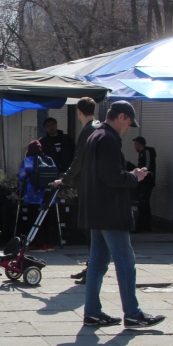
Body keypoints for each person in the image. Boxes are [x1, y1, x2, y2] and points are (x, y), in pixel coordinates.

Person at [79, 101, 165, 328]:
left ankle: (92, 312)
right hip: (110, 211)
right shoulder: (108, 139)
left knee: (97, 263)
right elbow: (111, 176)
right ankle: (133, 314)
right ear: (121, 117)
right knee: (125, 261)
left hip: (95, 209)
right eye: (129, 123)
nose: (129, 128)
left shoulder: (94, 135)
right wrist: (134, 177)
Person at [53, 97, 101, 283]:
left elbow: (79, 159)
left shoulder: (88, 130)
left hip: (88, 187)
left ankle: (93, 269)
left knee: (89, 229)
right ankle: (92, 265)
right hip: (95, 185)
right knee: (91, 230)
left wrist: (65, 178)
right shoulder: (99, 127)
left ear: (79, 111)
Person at [18, 140, 55, 251]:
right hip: (49, 195)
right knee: (47, 219)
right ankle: (49, 243)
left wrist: (19, 191)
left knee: (34, 220)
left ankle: (38, 243)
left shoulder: (28, 161)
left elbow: (21, 177)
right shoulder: (49, 160)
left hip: (33, 196)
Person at [132, 136, 157, 232]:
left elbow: (147, 167)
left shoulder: (146, 152)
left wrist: (143, 174)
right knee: (142, 203)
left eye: (136, 144)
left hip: (146, 182)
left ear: (139, 144)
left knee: (144, 202)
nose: (135, 147)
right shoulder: (142, 154)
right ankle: (142, 224)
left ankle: (145, 225)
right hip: (142, 181)